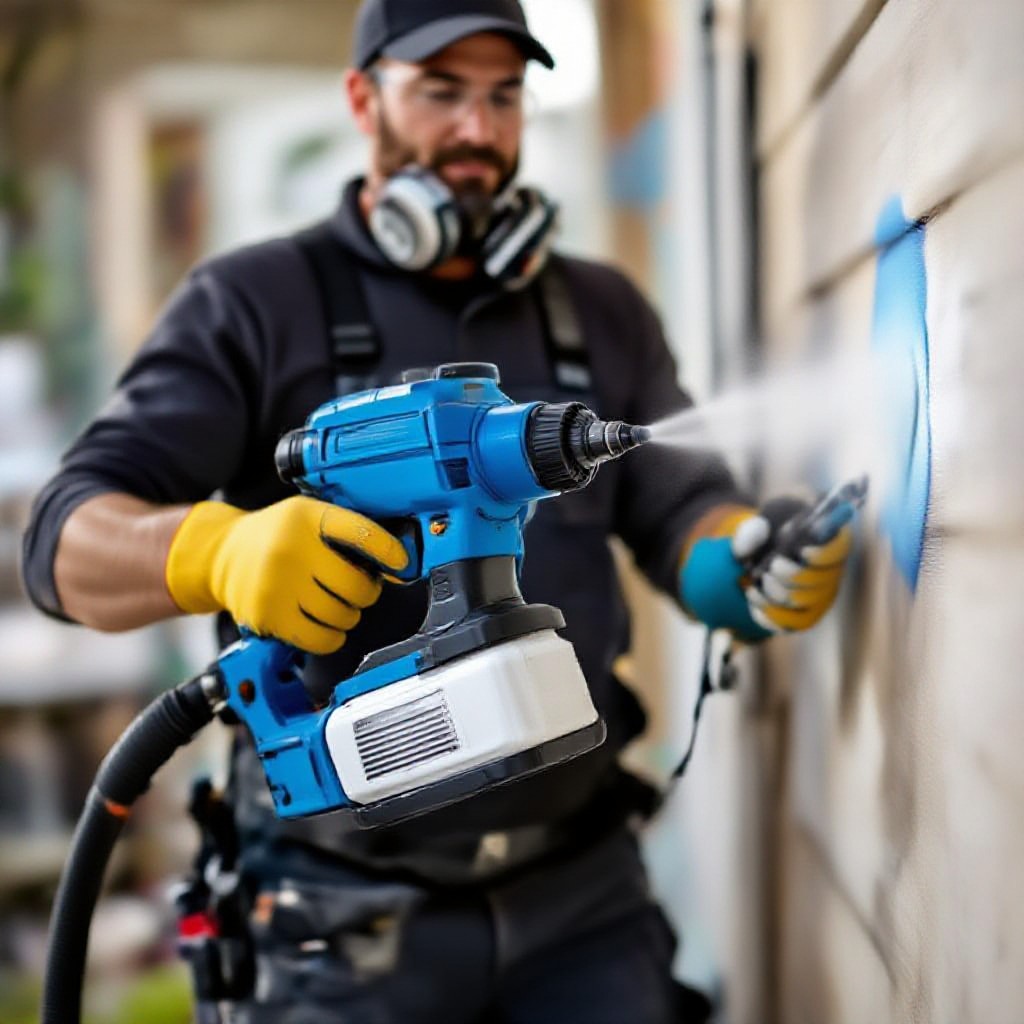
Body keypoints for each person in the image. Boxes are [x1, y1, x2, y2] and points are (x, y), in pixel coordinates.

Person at [22, 1, 854, 1021]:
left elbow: (684, 506)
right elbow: (60, 538)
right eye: (441, 92)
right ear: (362, 100)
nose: (478, 129)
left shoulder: (598, 310)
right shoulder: (253, 302)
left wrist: (743, 564)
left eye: (504, 95)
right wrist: (216, 550)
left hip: (583, 903)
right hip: (340, 922)